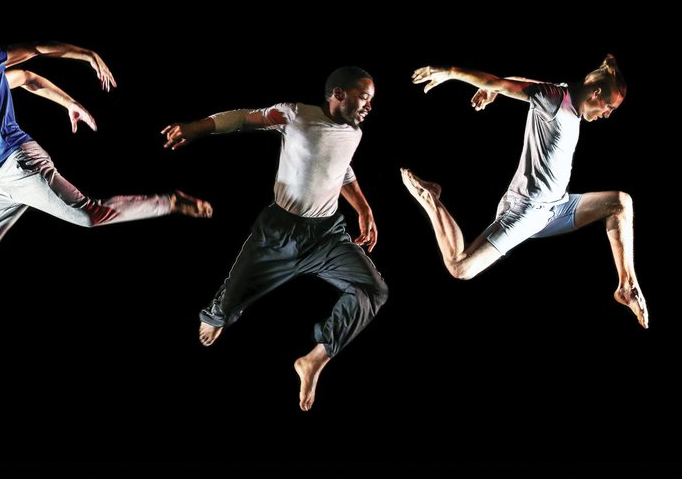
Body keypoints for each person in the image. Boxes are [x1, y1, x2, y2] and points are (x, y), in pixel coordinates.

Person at [0, 35, 213, 375]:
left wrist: (88, 55)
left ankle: (169, 202)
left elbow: (36, 50)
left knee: (89, 216)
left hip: (22, 166)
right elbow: (27, 79)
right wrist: (69, 103)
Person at [162, 66, 388, 410]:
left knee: (374, 290)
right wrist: (196, 128)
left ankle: (315, 358)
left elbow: (342, 167)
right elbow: (243, 118)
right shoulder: (295, 115)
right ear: (338, 95)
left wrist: (364, 209)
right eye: (364, 98)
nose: (369, 106)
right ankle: (217, 314)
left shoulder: (354, 133)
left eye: (372, 100)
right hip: (281, 230)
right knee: (232, 295)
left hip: (327, 235)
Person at [402, 55, 648, 328]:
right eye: (609, 107)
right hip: (526, 211)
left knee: (621, 203)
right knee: (460, 268)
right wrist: (451, 72)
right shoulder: (555, 100)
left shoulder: (563, 96)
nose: (607, 115)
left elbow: (520, 82)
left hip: (557, 208)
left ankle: (627, 286)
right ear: (596, 92)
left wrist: (493, 90)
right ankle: (430, 199)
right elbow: (499, 82)